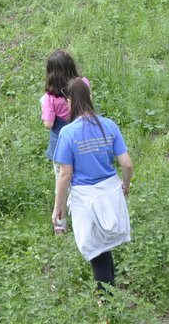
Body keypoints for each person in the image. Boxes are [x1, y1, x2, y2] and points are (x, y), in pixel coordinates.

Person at [51, 79, 133, 290]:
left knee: (96, 251)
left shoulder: (68, 133)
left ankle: (107, 311)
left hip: (85, 198)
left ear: (70, 101)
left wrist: (58, 207)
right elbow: (127, 164)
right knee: (104, 248)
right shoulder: (109, 125)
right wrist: (125, 185)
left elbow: (65, 175)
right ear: (90, 97)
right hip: (110, 191)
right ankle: (112, 297)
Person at [41, 50, 88, 188]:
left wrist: (44, 111)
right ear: (72, 66)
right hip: (82, 136)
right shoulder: (83, 83)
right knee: (80, 171)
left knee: (61, 176)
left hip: (60, 142)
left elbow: (49, 124)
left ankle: (62, 204)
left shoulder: (50, 97)